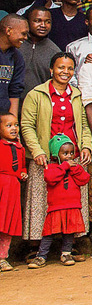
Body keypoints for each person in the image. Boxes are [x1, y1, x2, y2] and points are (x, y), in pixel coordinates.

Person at [20, 53, 92, 252]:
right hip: (45, 159)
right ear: (51, 70)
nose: (65, 72)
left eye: (69, 68)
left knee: (69, 201)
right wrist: (37, 151)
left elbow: (83, 125)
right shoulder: (36, 94)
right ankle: (37, 247)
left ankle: (68, 244)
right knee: (43, 203)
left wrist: (86, 146)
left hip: (71, 158)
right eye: (61, 67)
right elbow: (26, 126)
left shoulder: (76, 95)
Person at [37, 135, 90, 267]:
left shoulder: (74, 168)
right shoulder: (52, 168)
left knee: (69, 232)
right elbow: (50, 178)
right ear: (56, 154)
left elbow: (84, 179)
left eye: (71, 153)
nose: (69, 156)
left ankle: (66, 254)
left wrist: (74, 168)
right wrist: (64, 167)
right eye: (65, 153)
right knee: (49, 232)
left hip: (72, 206)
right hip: (56, 207)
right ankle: (41, 256)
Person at [0, 113, 27, 271]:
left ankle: (3, 257)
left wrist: (22, 173)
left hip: (12, 190)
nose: (14, 128)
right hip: (2, 187)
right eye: (8, 125)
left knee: (8, 223)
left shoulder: (20, 148)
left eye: (16, 125)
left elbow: (21, 166)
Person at [0, 14, 28, 116]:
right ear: (8, 31)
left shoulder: (17, 57)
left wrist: (12, 123)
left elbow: (15, 91)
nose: (25, 38)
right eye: (23, 33)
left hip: (3, 117)